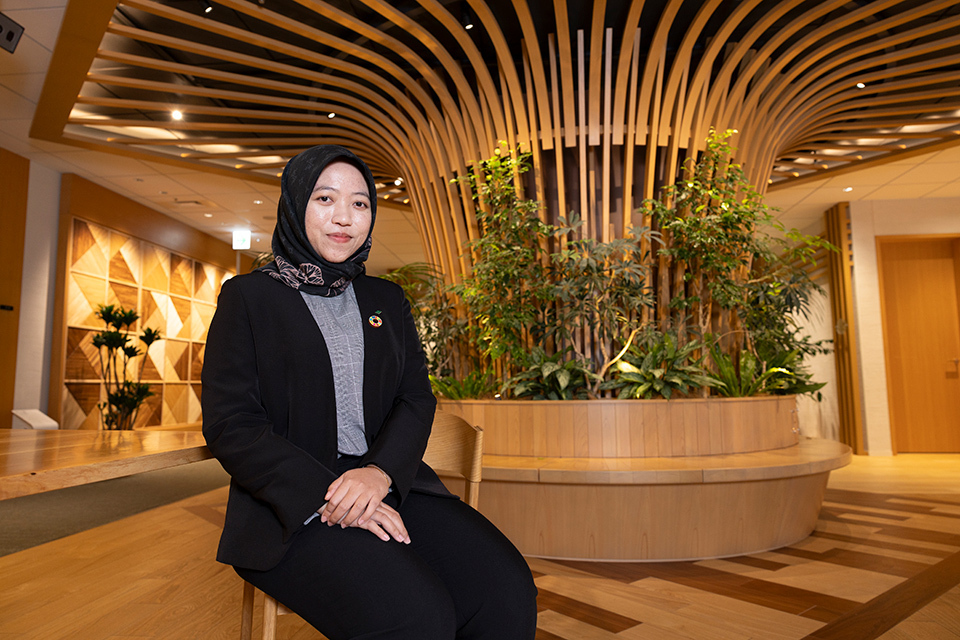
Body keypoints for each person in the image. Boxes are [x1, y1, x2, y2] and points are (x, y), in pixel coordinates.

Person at [201, 144, 538, 639]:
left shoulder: (386, 299)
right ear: (295, 205)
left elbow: (415, 398)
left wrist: (378, 475)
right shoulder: (248, 298)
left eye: (359, 203)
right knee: (417, 617)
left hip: (390, 483)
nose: (344, 217)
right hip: (293, 503)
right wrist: (330, 493)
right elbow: (232, 423)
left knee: (506, 590)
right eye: (325, 199)